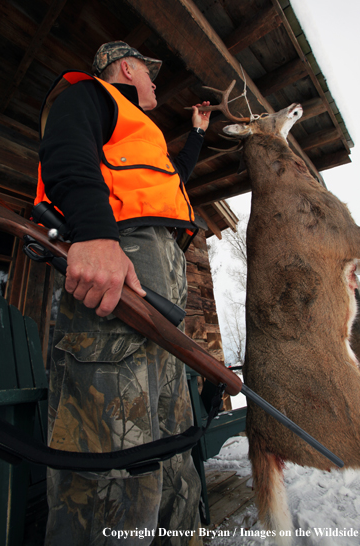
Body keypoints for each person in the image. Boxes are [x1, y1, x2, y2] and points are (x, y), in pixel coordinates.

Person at [35, 41, 211, 545]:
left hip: (161, 265)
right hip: (120, 256)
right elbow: (65, 150)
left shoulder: (144, 134)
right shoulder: (90, 96)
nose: (156, 85)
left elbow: (173, 185)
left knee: (169, 427)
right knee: (114, 439)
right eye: (151, 76)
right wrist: (94, 234)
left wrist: (196, 136)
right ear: (127, 68)